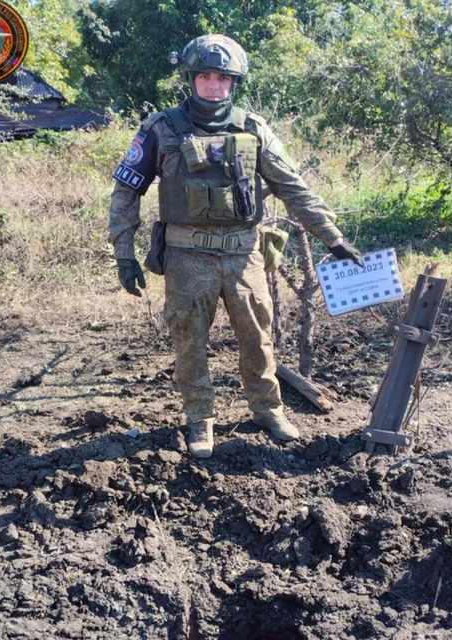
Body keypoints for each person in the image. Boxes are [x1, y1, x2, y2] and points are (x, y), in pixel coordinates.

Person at [108, 34, 362, 459]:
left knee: (259, 336)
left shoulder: (253, 127)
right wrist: (124, 253)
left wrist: (332, 237)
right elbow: (126, 191)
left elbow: (292, 187)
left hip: (244, 254)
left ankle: (268, 409)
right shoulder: (160, 128)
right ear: (190, 78)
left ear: (233, 82)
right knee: (189, 340)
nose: (213, 85)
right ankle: (199, 419)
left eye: (222, 78)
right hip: (187, 257)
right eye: (205, 76)